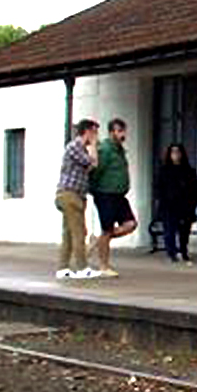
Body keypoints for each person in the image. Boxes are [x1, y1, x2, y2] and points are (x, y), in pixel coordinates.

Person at [87, 117, 139, 277]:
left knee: (131, 224)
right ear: (111, 132)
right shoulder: (106, 150)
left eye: (123, 131)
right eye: (119, 131)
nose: (122, 134)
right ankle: (104, 266)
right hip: (105, 193)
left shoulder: (119, 150)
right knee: (107, 229)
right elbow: (96, 171)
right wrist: (95, 190)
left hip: (119, 195)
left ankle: (97, 241)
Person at [55, 119, 100, 280]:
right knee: (79, 232)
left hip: (75, 195)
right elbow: (93, 163)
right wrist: (93, 146)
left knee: (68, 232)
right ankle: (82, 268)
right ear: (87, 131)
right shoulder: (75, 147)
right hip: (70, 194)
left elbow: (87, 168)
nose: (95, 136)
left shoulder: (79, 148)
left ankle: (63, 267)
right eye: (94, 132)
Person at [155, 142, 197, 263]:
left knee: (184, 231)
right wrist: (162, 200)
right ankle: (171, 253)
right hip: (169, 205)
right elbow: (159, 188)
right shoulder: (164, 171)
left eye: (178, 152)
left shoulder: (189, 171)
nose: (175, 155)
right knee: (169, 230)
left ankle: (183, 251)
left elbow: (194, 188)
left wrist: (193, 203)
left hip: (185, 205)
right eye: (173, 152)